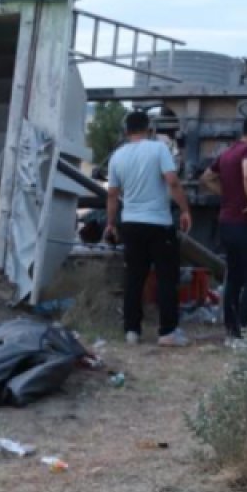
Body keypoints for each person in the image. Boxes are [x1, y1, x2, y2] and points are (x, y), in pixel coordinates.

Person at [104, 110, 194, 347]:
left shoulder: (117, 156)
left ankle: (132, 331)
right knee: (166, 277)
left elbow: (112, 195)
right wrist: (185, 209)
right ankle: (167, 332)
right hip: (158, 224)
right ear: (149, 128)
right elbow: (172, 181)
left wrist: (111, 224)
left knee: (134, 277)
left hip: (130, 224)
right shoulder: (158, 149)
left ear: (126, 131)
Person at [199, 116, 247, 344]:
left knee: (234, 278)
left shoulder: (227, 153)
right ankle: (245, 329)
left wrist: (227, 195)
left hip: (226, 222)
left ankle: (231, 330)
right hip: (245, 223)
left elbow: (207, 177)